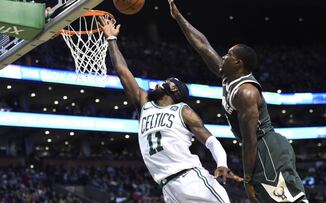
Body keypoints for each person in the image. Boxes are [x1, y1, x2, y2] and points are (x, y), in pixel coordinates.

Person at [167, 1, 308, 203]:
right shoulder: (230, 79)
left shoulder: (246, 92)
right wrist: (179, 18)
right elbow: (203, 47)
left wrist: (247, 181)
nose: (223, 56)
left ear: (238, 63)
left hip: (266, 147)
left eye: (229, 54)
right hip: (259, 148)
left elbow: (250, 139)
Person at [98, 17, 241, 203]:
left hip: (191, 180)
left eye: (163, 83)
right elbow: (122, 71)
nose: (157, 84)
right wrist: (111, 40)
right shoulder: (144, 104)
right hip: (168, 188)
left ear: (173, 89)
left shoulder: (182, 110)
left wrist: (222, 163)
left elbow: (211, 140)